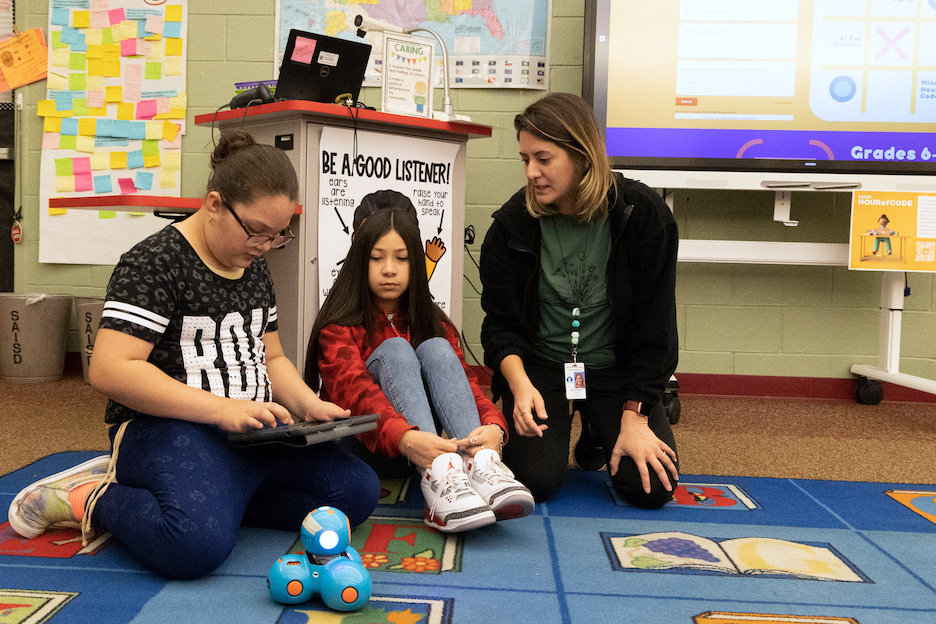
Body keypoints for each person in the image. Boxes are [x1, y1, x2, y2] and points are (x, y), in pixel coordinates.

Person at [7, 130, 381, 579]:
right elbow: (109, 370)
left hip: (253, 434)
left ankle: (217, 497)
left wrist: (307, 405)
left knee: (357, 494)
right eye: (256, 232)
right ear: (214, 204)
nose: (263, 246)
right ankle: (89, 495)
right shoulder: (155, 262)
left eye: (278, 236)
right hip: (170, 430)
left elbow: (273, 358)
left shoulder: (252, 263)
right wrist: (222, 410)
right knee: (191, 547)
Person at [479, 92, 680, 509]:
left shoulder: (643, 215)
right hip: (542, 369)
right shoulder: (510, 226)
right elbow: (500, 327)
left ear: (582, 154)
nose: (532, 172)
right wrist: (519, 387)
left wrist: (636, 415)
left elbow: (656, 330)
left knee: (650, 489)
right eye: (525, 159)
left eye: (544, 158)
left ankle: (597, 425)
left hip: (616, 371)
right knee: (534, 481)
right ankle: (580, 417)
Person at [305, 204, 534, 533]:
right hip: (365, 450)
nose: (389, 269)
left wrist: (494, 429)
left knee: (438, 348)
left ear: (416, 262)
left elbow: (466, 386)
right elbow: (356, 394)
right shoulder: (338, 326)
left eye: (401, 258)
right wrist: (406, 437)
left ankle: (481, 465)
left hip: (424, 449)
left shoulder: (433, 321)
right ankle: (438, 478)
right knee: (397, 349)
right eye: (377, 257)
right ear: (359, 261)